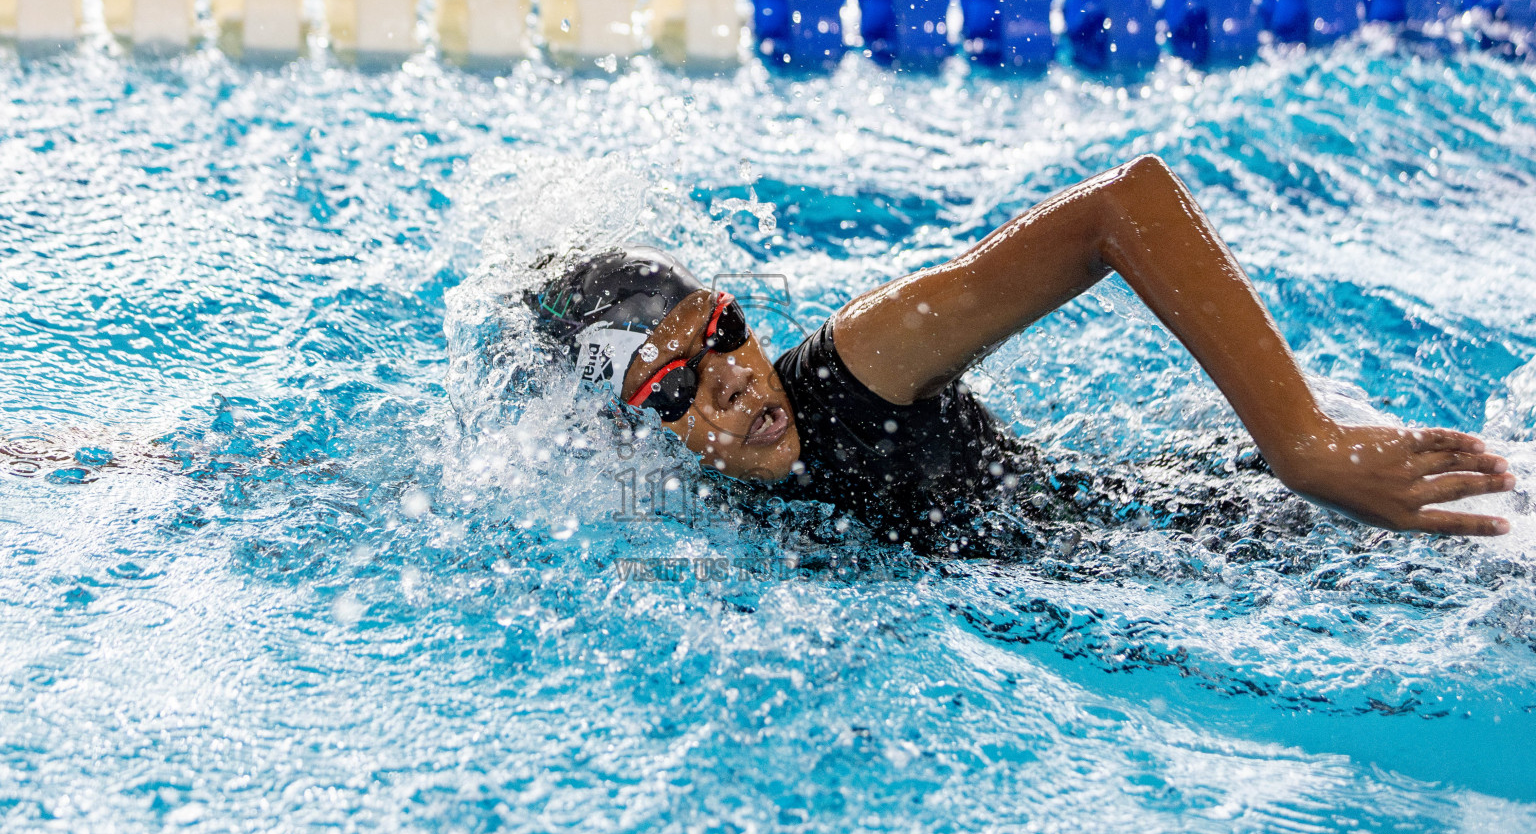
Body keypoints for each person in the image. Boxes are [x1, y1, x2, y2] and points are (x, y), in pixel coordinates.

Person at [528, 154, 1515, 547]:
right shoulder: (688, 518)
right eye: (673, 388)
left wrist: (1304, 442)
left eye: (722, 331)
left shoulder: (857, 367)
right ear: (632, 429)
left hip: (1246, 534)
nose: (735, 383)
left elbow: (1122, 206)